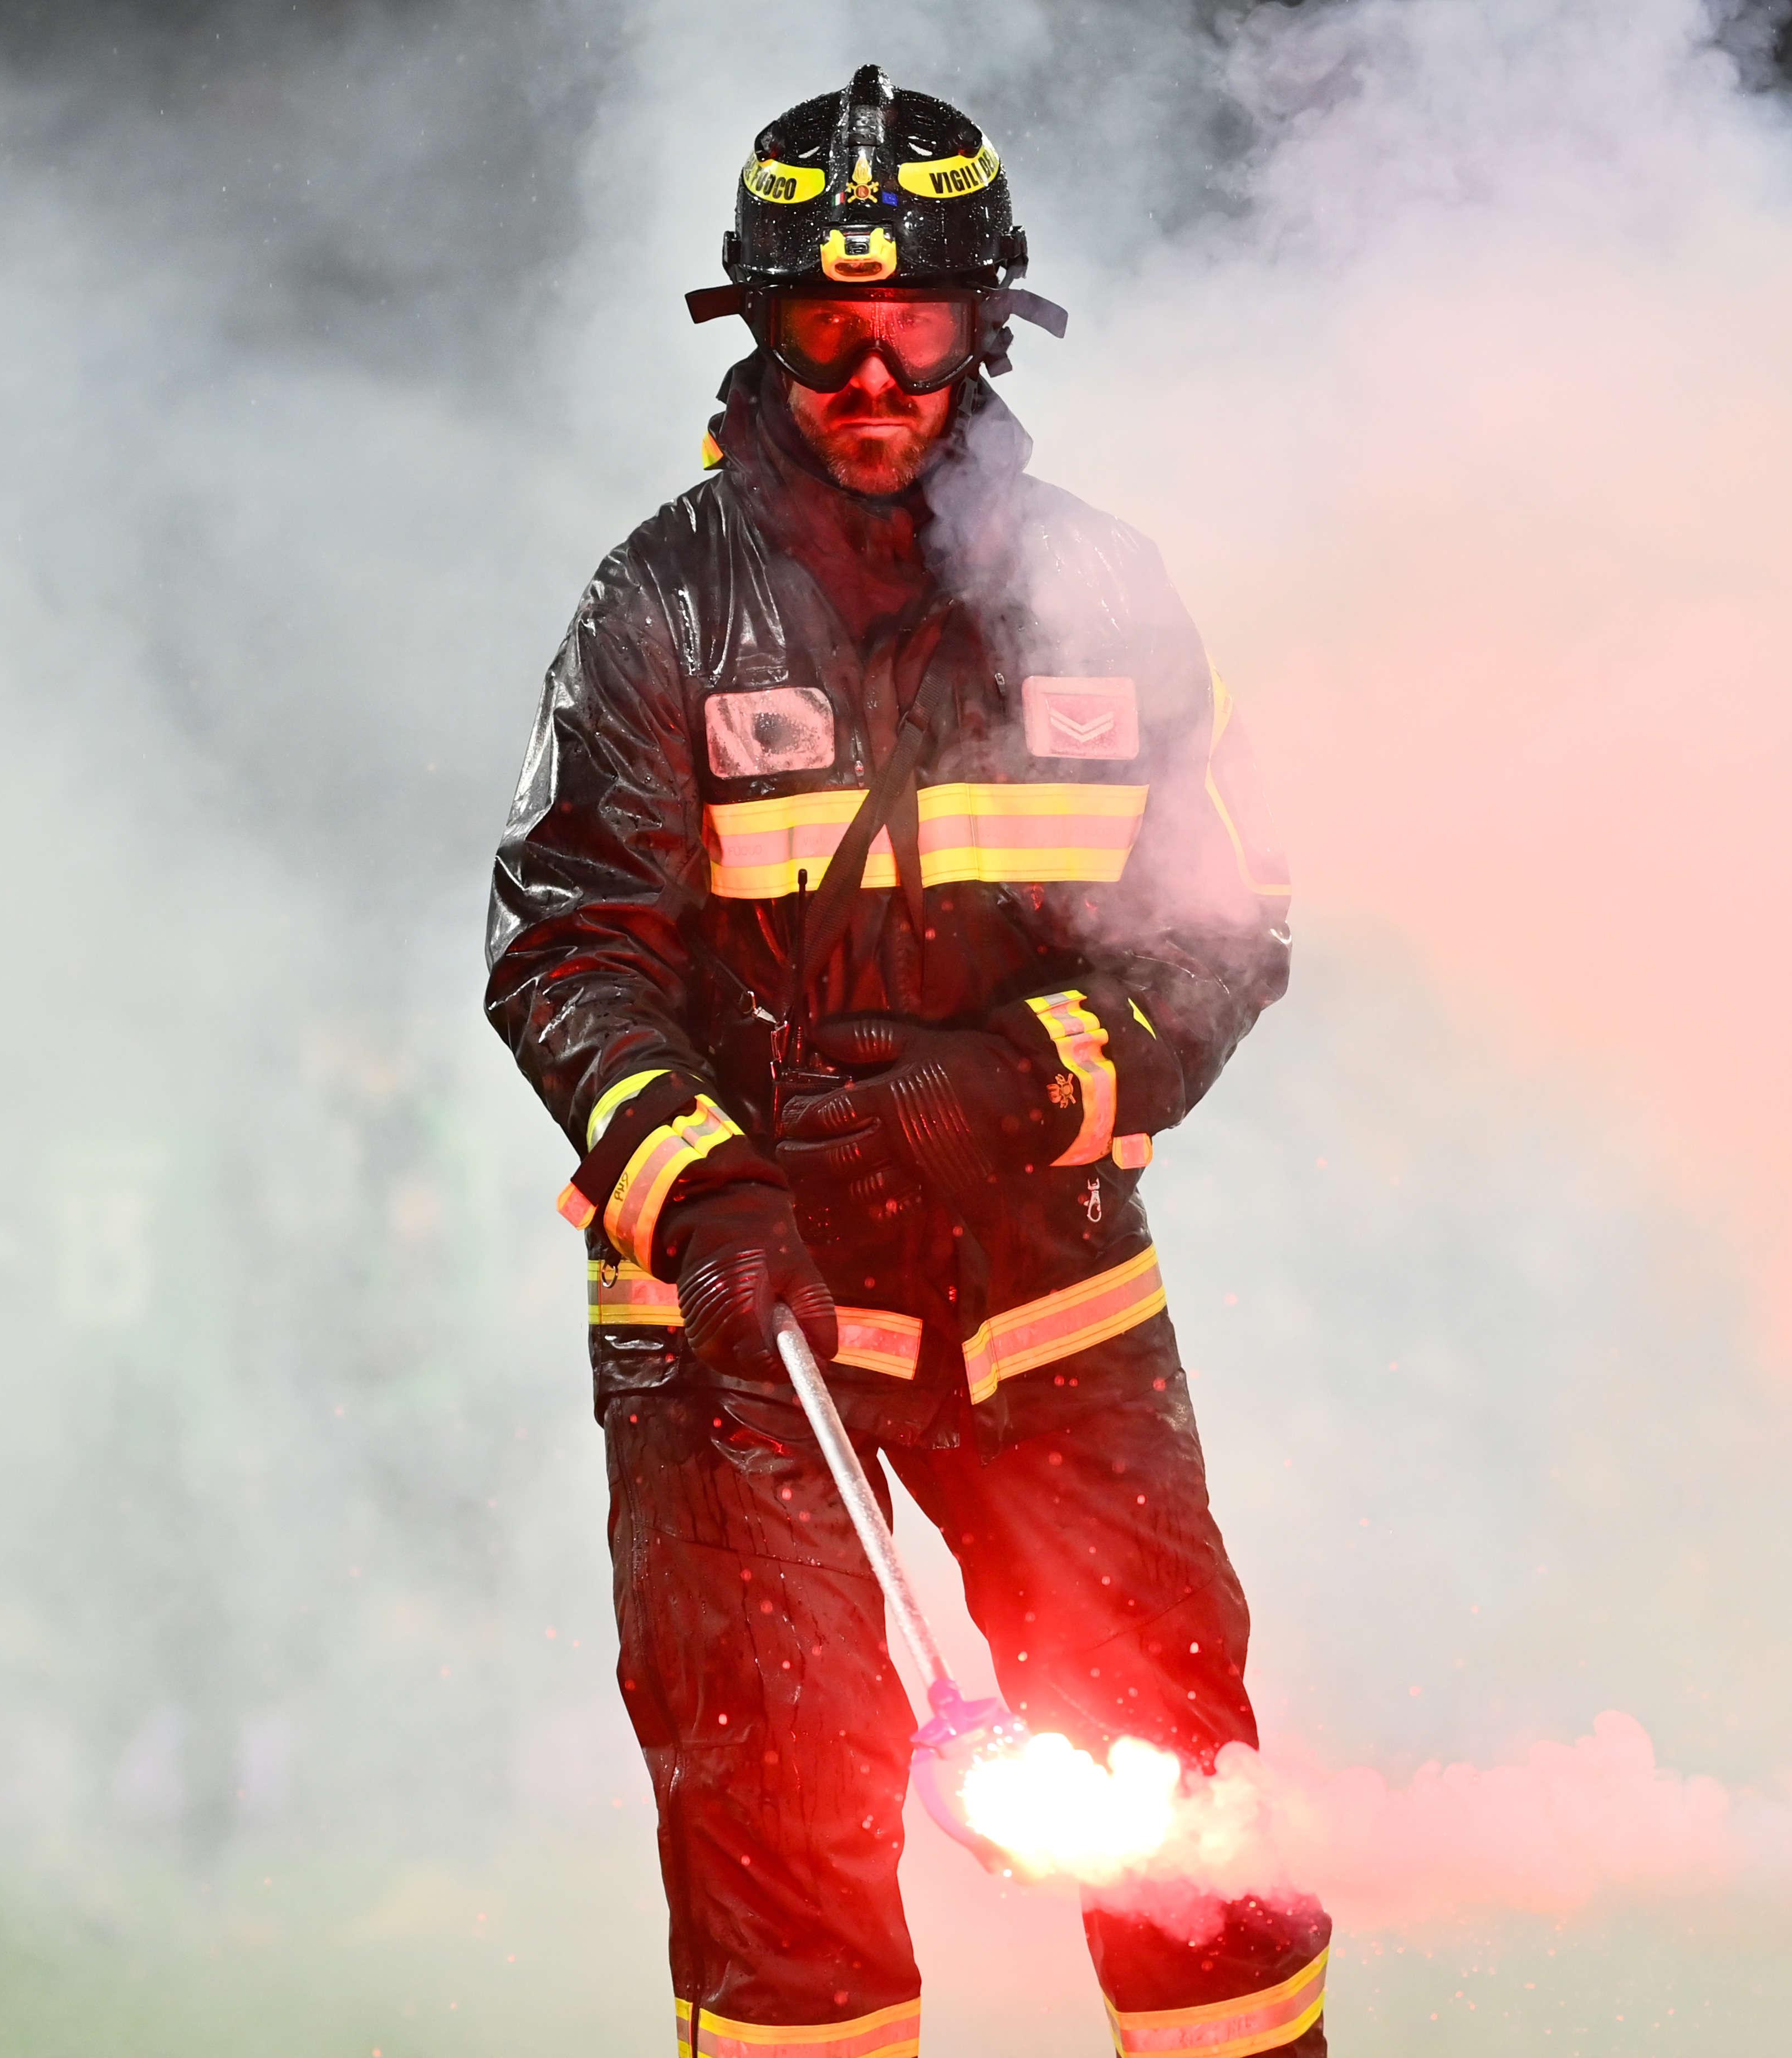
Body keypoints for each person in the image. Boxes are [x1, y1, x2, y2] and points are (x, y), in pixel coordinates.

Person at [484, 65, 1325, 2058]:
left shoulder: (1109, 595)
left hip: (1050, 1299)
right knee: (787, 1863)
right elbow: (567, 946)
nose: (872, 377)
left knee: (1200, 1849)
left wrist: (1018, 1082)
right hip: (747, 1329)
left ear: (990, 326)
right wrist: (708, 1195)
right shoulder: (658, 605)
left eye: (917, 326)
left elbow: (1228, 932)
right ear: (758, 331)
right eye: (824, 326)